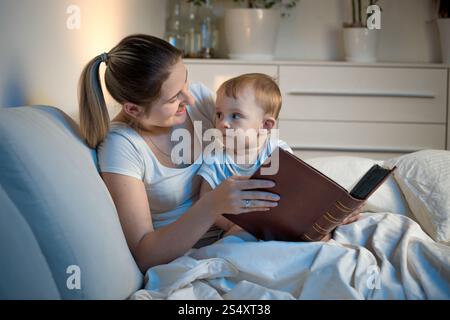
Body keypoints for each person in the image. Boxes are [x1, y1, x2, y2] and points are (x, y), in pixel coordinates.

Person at [78, 34, 281, 273]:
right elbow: (145, 255)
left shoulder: (201, 103)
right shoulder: (121, 147)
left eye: (185, 81)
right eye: (175, 97)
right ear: (133, 109)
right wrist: (211, 205)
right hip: (191, 259)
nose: (191, 98)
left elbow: (255, 143)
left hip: (245, 237)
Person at [196, 73, 360, 241]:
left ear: (266, 125)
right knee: (235, 243)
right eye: (219, 114)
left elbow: (299, 190)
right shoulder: (215, 156)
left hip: (280, 224)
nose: (223, 123)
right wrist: (232, 226)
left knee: (319, 237)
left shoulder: (277, 151)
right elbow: (206, 201)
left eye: (235, 116)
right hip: (241, 229)